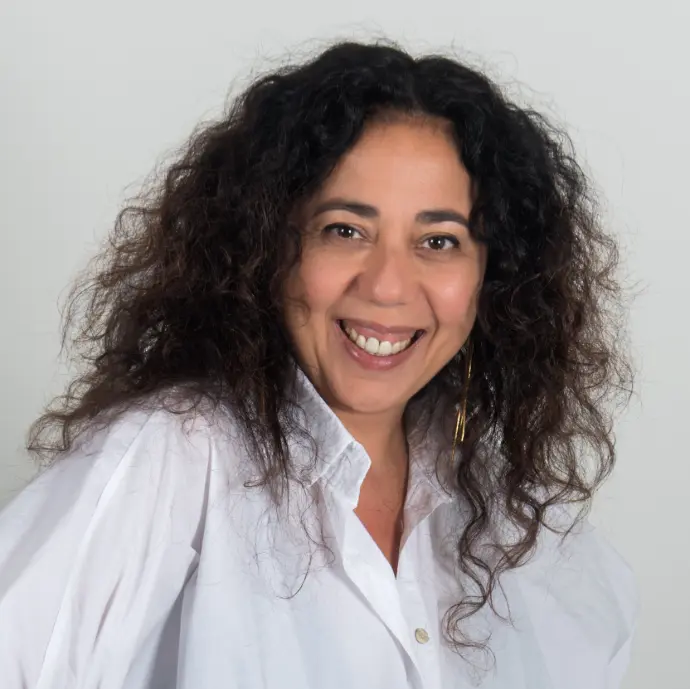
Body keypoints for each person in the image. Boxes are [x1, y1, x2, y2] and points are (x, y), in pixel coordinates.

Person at [0, 40, 636, 689]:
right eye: (345, 230)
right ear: (266, 247)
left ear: (493, 278)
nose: (387, 286)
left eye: (438, 240)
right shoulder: (173, 457)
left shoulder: (536, 539)